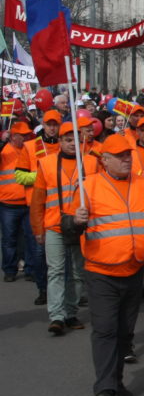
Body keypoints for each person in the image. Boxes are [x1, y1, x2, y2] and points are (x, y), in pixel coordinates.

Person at [70, 134, 144, 396]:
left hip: (134, 269)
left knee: (125, 332)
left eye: (129, 154)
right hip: (101, 271)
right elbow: (69, 228)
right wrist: (75, 222)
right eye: (120, 156)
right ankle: (104, 389)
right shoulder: (88, 187)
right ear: (105, 160)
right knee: (105, 330)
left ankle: (115, 380)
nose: (128, 159)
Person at [31, 121, 100, 334]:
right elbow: (38, 200)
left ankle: (71, 312)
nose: (72, 144)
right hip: (54, 225)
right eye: (67, 140)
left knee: (79, 272)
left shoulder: (91, 162)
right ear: (59, 141)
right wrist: (38, 229)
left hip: (81, 227)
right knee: (56, 271)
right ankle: (57, 316)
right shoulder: (47, 163)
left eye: (75, 140)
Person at [1, 121, 46, 301]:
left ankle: (30, 269)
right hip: (8, 203)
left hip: (28, 202)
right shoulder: (4, 152)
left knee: (31, 238)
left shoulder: (31, 148)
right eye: (23, 135)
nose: (27, 137)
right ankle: (10, 269)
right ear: (13, 136)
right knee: (9, 239)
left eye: (28, 134)